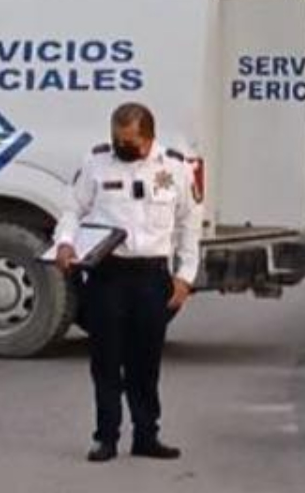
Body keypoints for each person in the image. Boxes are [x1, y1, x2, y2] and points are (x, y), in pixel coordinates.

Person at [54, 102, 203, 461]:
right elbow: (73, 209)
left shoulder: (175, 168)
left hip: (152, 277)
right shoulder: (96, 163)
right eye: (116, 139)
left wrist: (185, 278)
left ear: (149, 137)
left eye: (129, 141)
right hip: (108, 274)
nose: (121, 147)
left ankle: (146, 436)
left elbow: (189, 225)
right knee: (105, 360)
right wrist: (65, 241)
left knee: (145, 362)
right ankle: (105, 437)